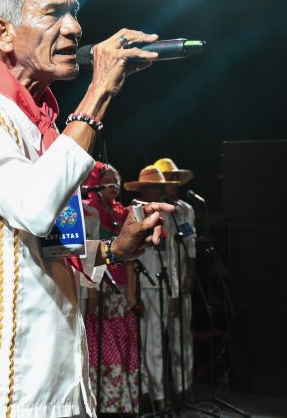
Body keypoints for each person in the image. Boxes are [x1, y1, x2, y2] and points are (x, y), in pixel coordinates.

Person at [0, 0, 174, 418]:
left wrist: (114, 250)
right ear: (3, 33)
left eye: (74, 12)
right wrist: (99, 92)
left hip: (61, 386)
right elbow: (34, 207)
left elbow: (51, 250)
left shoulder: (46, 128)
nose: (76, 27)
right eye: (53, 13)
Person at [81, 163, 139, 415]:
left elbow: (131, 258)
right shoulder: (89, 211)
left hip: (119, 286)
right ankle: (104, 404)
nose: (113, 184)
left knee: (121, 343)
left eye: (117, 180)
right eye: (108, 179)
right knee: (104, 347)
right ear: (96, 182)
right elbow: (85, 251)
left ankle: (122, 404)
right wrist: (92, 290)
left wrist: (132, 291)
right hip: (100, 285)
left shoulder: (122, 213)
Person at [123, 165, 181, 412]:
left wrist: (176, 292)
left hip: (163, 285)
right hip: (143, 285)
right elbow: (128, 256)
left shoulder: (170, 215)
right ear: (143, 188)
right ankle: (155, 397)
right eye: (151, 187)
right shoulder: (132, 214)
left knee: (163, 344)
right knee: (149, 345)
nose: (155, 191)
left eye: (158, 186)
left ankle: (163, 394)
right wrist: (132, 293)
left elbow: (173, 258)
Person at [153, 157, 196, 400]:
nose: (174, 184)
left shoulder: (186, 209)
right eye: (168, 180)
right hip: (158, 283)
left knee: (182, 337)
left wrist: (190, 272)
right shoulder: (153, 210)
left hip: (181, 279)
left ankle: (183, 388)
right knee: (156, 341)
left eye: (175, 179)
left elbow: (190, 245)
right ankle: (158, 395)